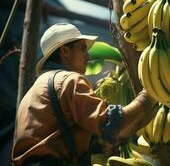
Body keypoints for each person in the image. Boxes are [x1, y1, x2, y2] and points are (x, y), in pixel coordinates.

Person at [11, 23, 158, 166]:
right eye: (82, 49)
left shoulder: (32, 93)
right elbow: (112, 126)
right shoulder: (68, 80)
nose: (88, 56)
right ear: (65, 51)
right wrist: (149, 94)